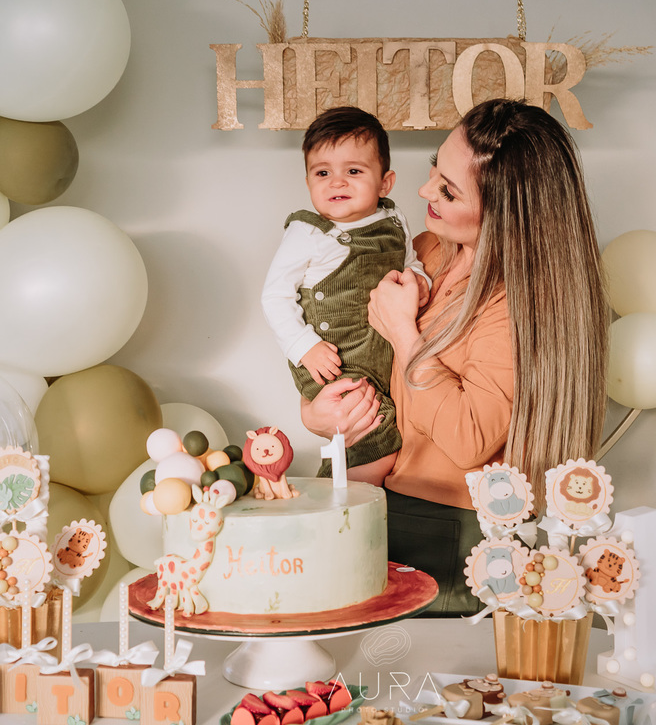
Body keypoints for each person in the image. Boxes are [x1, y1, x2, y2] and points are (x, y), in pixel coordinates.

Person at [301, 98, 609, 615]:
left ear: (505, 213)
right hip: (387, 505)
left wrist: (403, 332)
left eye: (448, 190)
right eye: (433, 171)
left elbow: (469, 437)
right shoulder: (429, 248)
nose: (424, 192)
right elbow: (361, 357)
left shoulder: (520, 302)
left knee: (416, 684)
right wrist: (320, 414)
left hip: (451, 534)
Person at [261, 106, 429, 484]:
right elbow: (274, 296)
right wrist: (304, 346)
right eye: (323, 173)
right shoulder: (309, 233)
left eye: (353, 171)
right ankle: (344, 506)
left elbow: (410, 261)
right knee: (374, 431)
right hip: (331, 359)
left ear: (385, 183)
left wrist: (418, 280)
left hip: (375, 351)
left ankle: (338, 498)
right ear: (308, 181)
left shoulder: (393, 218)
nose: (336, 182)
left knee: (369, 427)